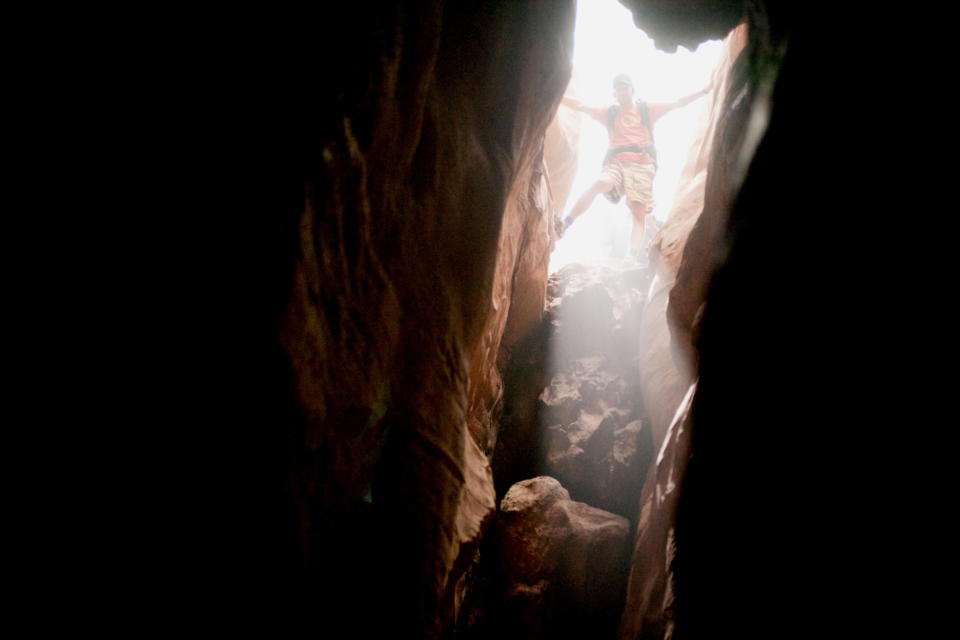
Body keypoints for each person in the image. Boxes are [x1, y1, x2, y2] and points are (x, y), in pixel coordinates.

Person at [557, 73, 712, 261]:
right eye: (619, 89)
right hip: (617, 161)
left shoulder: (645, 110)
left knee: (638, 210)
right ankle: (565, 224)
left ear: (632, 89)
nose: (622, 91)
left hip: (642, 163)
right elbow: (580, 106)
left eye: (625, 87)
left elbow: (677, 102)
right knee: (599, 183)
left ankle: (631, 256)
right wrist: (555, 95)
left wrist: (703, 91)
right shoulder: (610, 113)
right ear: (614, 93)